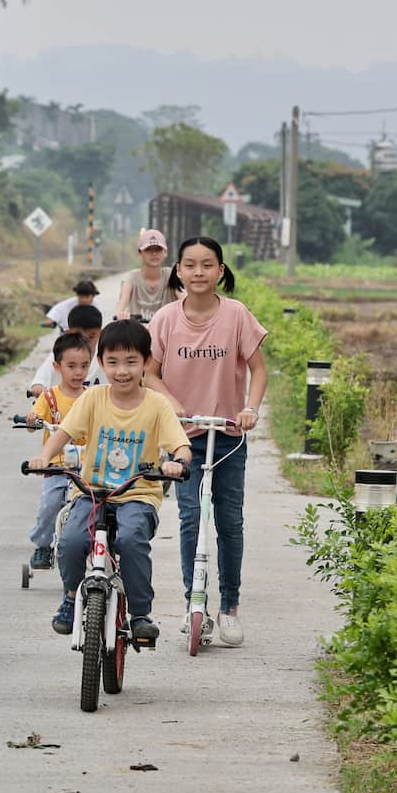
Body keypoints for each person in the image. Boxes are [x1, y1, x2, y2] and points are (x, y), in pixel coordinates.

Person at [143, 236, 268, 648]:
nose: (199, 272)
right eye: (190, 265)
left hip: (228, 435)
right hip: (184, 438)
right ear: (177, 270)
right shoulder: (164, 319)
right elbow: (149, 372)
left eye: (207, 265)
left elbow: (258, 369)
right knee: (191, 519)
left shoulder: (236, 315)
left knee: (229, 522)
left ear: (220, 270)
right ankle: (192, 602)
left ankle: (229, 607)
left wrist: (250, 407)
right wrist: (172, 403)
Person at [37, 320, 191, 642]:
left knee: (133, 539)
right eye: (113, 362)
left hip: (138, 494)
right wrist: (45, 457)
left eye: (132, 362)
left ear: (146, 362)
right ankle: (69, 597)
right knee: (70, 542)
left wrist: (178, 463)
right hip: (92, 491)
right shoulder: (93, 398)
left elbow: (180, 445)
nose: (122, 371)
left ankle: (140, 613)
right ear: (101, 363)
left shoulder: (157, 405)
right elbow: (64, 433)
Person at [22, 331, 94, 570]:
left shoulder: (92, 396)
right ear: (56, 366)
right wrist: (33, 419)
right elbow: (35, 424)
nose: (79, 372)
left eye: (84, 366)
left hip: (86, 467)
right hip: (56, 466)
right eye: (71, 366)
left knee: (92, 506)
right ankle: (43, 545)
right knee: (50, 504)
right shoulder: (50, 397)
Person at [26, 303, 104, 398]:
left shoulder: (104, 355)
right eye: (79, 336)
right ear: (68, 333)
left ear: (101, 333)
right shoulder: (63, 352)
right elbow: (46, 369)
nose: (85, 342)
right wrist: (39, 384)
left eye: (91, 337)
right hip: (60, 405)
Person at [114, 228, 181, 321]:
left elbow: (184, 299)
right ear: (139, 253)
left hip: (167, 331)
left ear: (165, 252)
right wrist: (120, 313)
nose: (154, 253)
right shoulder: (131, 277)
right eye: (148, 249)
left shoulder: (172, 275)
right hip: (139, 332)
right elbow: (122, 302)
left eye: (158, 249)